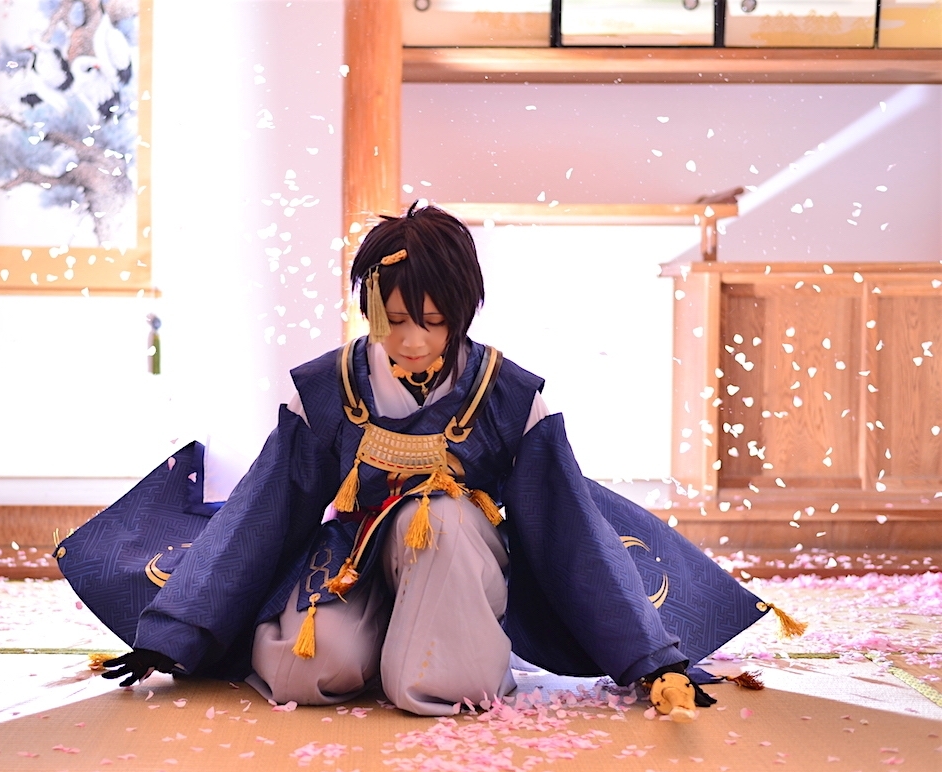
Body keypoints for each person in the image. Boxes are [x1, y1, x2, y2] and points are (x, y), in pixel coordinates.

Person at [59, 203, 780, 719]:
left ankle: (441, 650)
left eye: (432, 322)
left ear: (462, 312)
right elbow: (264, 511)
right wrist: (176, 635)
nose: (410, 342)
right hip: (354, 557)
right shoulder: (327, 388)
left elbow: (569, 530)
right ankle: (383, 641)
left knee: (441, 579)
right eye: (394, 320)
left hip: (459, 557)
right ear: (369, 306)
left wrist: (650, 660)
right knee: (306, 672)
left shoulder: (510, 395)